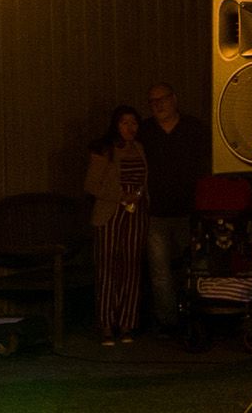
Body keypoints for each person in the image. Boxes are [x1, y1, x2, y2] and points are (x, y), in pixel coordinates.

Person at [138, 81, 205, 333]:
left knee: (196, 266)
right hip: (156, 212)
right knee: (160, 272)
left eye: (162, 99)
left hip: (189, 210)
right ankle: (168, 322)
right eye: (153, 102)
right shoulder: (145, 132)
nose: (158, 105)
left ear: (174, 99)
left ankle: (197, 314)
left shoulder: (192, 128)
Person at [84, 105, 150, 346]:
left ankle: (127, 323)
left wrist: (138, 195)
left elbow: (143, 179)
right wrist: (120, 196)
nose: (130, 128)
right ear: (115, 125)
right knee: (108, 268)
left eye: (134, 123)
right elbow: (91, 185)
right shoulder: (105, 150)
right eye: (124, 123)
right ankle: (106, 324)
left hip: (135, 213)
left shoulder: (140, 148)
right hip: (111, 213)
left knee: (131, 269)